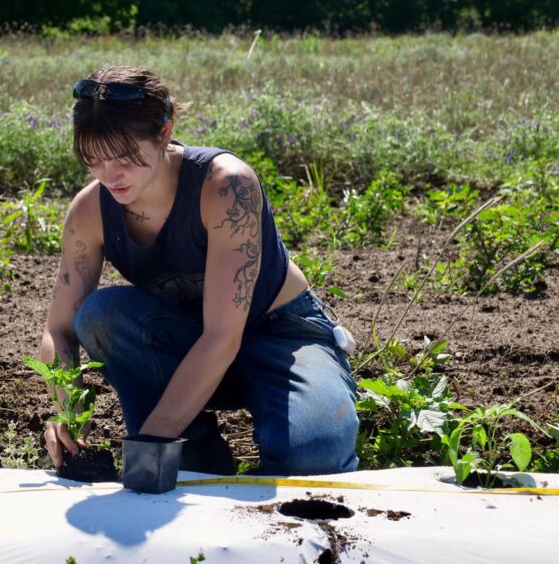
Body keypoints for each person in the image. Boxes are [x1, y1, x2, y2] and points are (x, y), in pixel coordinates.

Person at [39, 64, 358, 476]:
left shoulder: (226, 187)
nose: (109, 176)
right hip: (188, 343)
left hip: (279, 335)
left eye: (125, 158)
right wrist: (69, 414)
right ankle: (198, 454)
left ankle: (282, 414)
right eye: (94, 161)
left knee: (312, 457)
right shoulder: (90, 211)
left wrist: (152, 442)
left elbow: (223, 336)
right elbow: (58, 329)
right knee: (101, 314)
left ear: (164, 130)